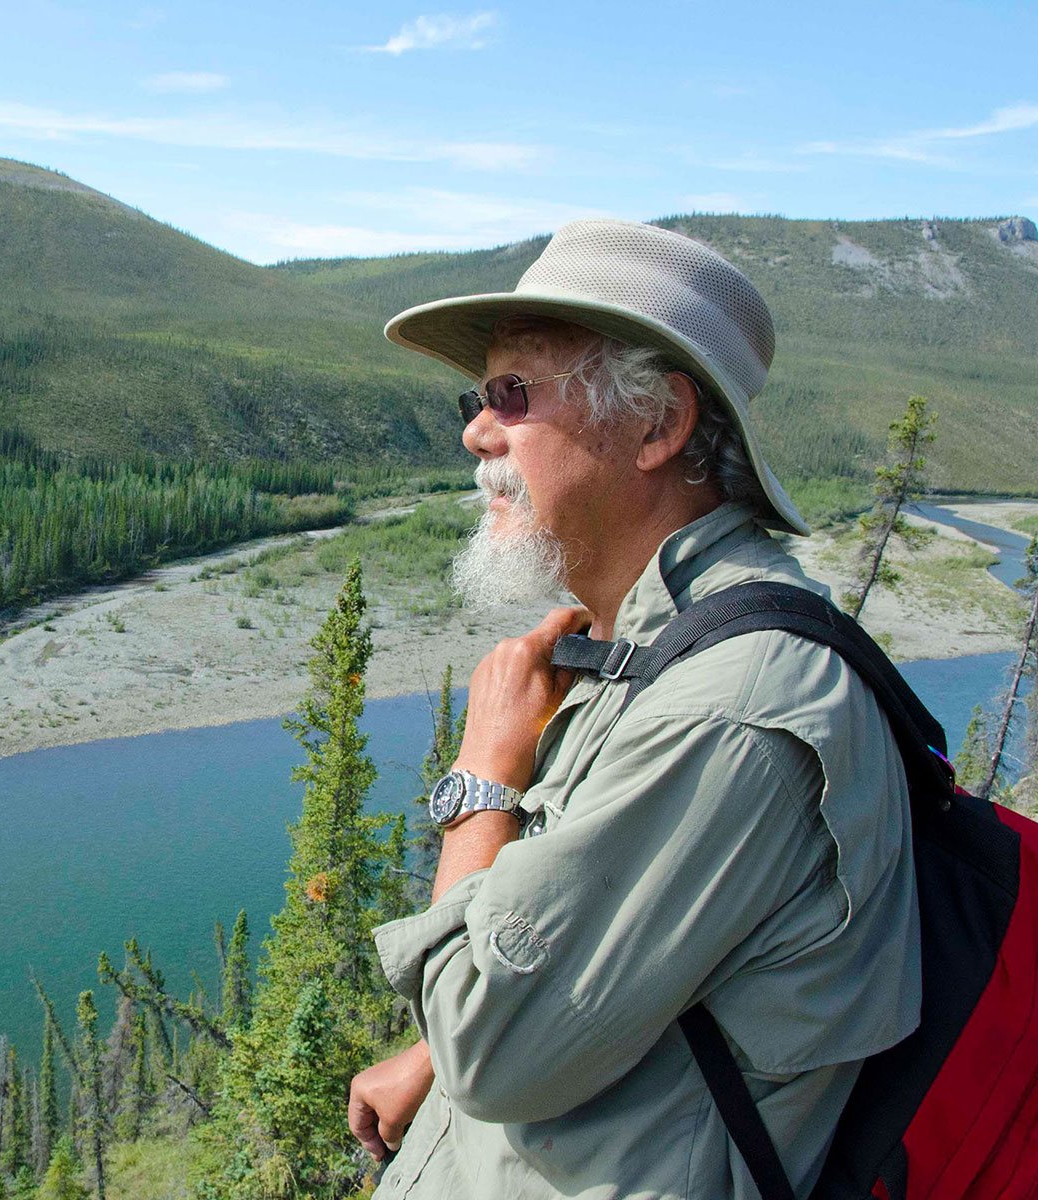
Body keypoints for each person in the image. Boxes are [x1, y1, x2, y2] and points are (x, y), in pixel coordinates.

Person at [348, 219, 921, 1198]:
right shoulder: (652, 649)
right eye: (476, 397)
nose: (475, 432)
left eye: (511, 394)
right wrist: (428, 1062)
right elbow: (612, 951)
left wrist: (482, 777)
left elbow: (493, 1044)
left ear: (658, 424)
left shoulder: (729, 711)